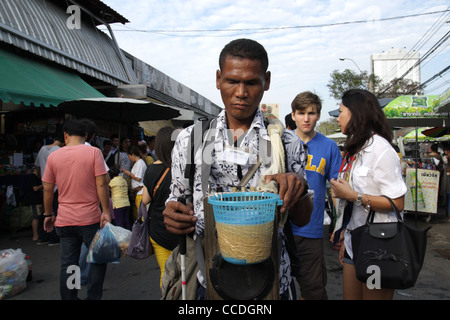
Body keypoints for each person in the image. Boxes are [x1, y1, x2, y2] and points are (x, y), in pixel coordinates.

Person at [163, 38, 312, 300]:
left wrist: (297, 189)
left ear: (266, 81)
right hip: (209, 282)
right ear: (219, 79)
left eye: (252, 82)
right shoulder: (190, 140)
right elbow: (177, 202)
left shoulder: (288, 144)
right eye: (232, 81)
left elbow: (302, 218)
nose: (241, 92)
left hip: (273, 283)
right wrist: (173, 216)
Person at [330, 89, 407, 300]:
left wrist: (354, 196)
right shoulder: (356, 150)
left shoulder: (381, 150)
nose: (338, 118)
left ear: (356, 113)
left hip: (379, 246)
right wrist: (344, 235)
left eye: (341, 112)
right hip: (354, 242)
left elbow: (396, 203)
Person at [42, 119, 111, 300]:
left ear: (65, 135)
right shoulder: (94, 153)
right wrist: (106, 211)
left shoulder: (53, 157)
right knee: (98, 258)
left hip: (65, 220)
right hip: (90, 219)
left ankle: (70, 297)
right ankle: (93, 296)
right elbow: (102, 185)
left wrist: (48, 214)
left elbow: (48, 190)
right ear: (86, 136)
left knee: (69, 264)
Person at [290, 91, 342, 300]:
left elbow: (337, 188)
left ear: (318, 116)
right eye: (301, 113)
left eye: (311, 113)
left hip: (310, 229)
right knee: (272, 287)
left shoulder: (329, 146)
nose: (306, 118)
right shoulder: (279, 143)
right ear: (293, 115)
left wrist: (340, 225)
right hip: (279, 227)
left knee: (313, 290)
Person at [142, 126, 180, 288]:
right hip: (182, 230)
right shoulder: (185, 169)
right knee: (186, 274)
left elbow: (145, 200)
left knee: (166, 273)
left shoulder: (151, 169)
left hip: (159, 230)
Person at [34, 134, 64, 246]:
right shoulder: (60, 151)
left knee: (46, 212)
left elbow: (37, 167)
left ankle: (43, 236)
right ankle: (54, 238)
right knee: (56, 211)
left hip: (45, 185)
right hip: (57, 186)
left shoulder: (42, 149)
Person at [123, 145, 147, 220]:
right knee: (138, 214)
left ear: (132, 154)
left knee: (141, 215)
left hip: (141, 192)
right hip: (137, 192)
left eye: (129, 156)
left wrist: (129, 174)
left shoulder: (140, 163)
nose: (129, 158)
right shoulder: (137, 163)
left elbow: (138, 178)